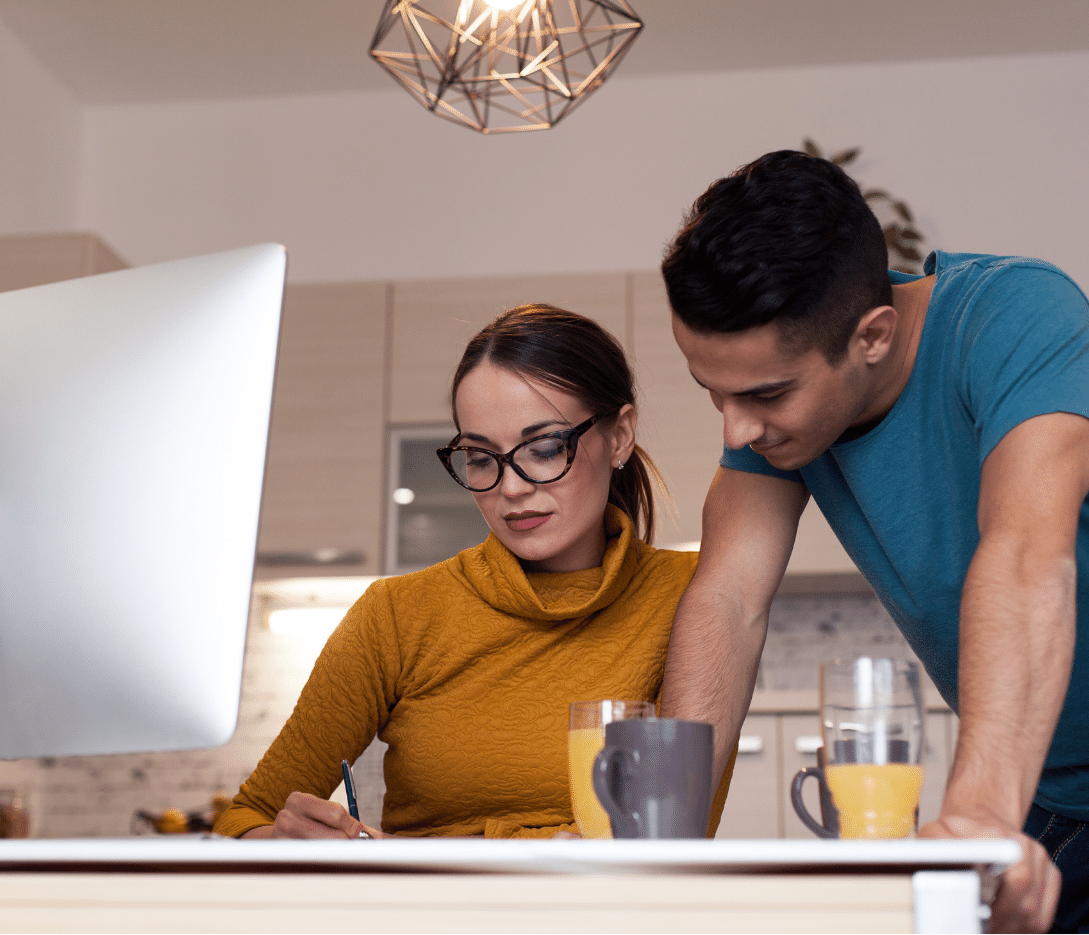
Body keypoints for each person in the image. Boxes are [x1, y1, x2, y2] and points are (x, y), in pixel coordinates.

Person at [657, 150, 1089, 933]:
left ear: (872, 337)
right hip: (1048, 800)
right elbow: (728, 599)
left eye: (765, 394)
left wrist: (979, 814)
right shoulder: (776, 418)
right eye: (713, 392)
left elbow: (1022, 553)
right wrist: (658, 837)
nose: (735, 428)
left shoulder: (1017, 314)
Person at [215, 303, 730, 840]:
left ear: (619, 436)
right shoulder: (396, 616)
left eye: (545, 448)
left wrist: (432, 856)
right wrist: (285, 843)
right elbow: (241, 822)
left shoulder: (697, 597)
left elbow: (667, 833)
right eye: (482, 457)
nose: (511, 487)